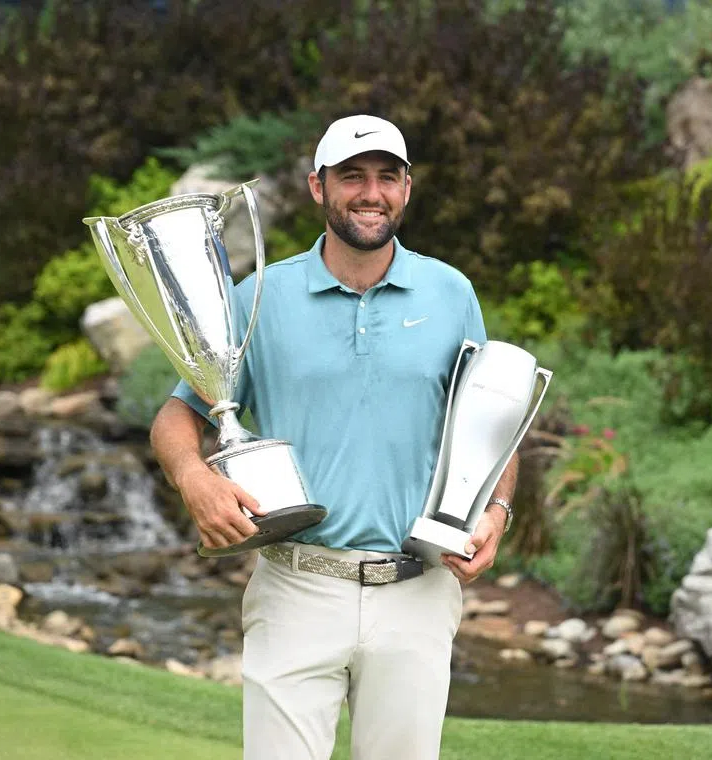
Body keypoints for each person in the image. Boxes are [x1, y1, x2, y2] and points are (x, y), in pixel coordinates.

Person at [149, 114, 518, 760]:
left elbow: (490, 427)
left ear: (407, 189)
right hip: (296, 587)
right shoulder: (258, 297)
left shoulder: (451, 293)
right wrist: (194, 478)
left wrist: (497, 511)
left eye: (386, 177)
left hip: (418, 593)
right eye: (352, 177)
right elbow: (178, 416)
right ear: (318, 187)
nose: (370, 192)